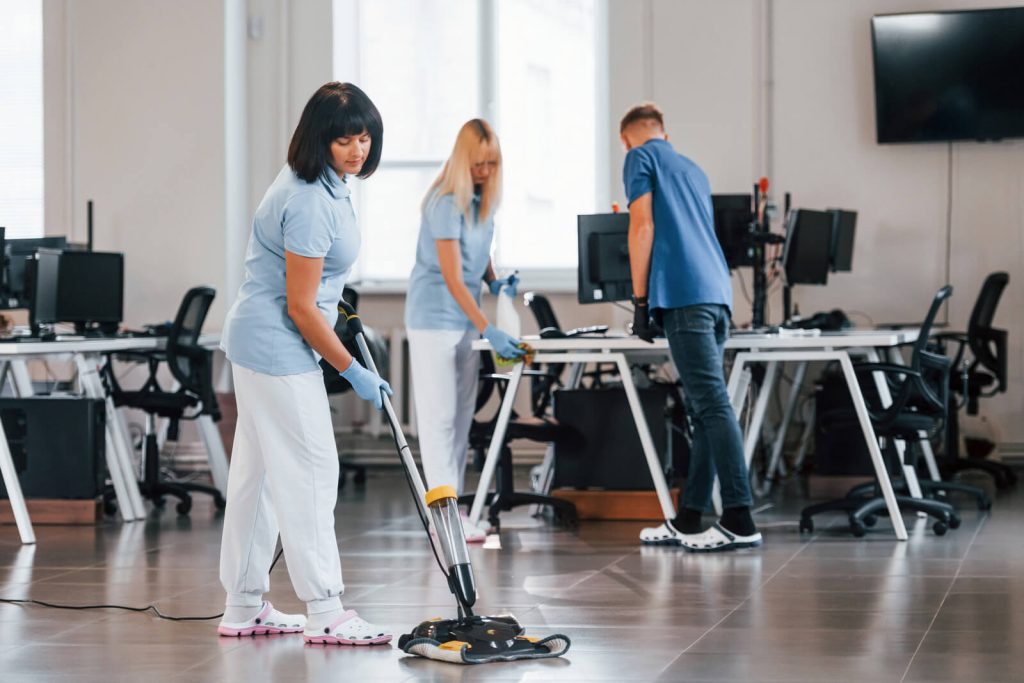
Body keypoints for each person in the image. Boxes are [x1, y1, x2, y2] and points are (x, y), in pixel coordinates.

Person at [218, 82, 394, 644]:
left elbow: (310, 284)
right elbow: (299, 306)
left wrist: (330, 298)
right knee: (313, 471)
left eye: (364, 137)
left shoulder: (322, 184)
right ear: (320, 140)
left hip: (256, 341)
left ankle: (244, 606)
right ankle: (327, 609)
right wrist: (352, 370)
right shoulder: (311, 199)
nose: (356, 149)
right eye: (344, 139)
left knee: (259, 475)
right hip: (277, 347)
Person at [620, 103, 762, 552]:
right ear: (665, 132)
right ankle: (690, 518)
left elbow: (641, 227)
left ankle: (739, 517)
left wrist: (640, 302)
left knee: (713, 405)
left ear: (628, 138)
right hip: (717, 293)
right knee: (703, 410)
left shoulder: (638, 157)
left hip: (683, 294)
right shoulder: (692, 169)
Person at [404, 119, 524, 542]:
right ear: (462, 160)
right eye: (478, 164)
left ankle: (453, 515)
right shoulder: (444, 203)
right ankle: (445, 520)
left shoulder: (481, 202)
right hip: (433, 320)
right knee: (437, 422)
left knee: (458, 420)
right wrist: (488, 328)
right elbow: (454, 278)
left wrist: (494, 281)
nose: (485, 171)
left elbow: (480, 257)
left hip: (464, 323)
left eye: (492, 164)